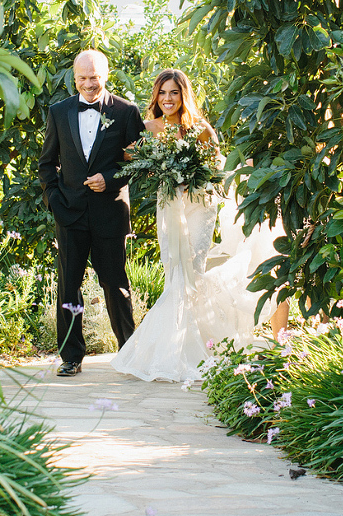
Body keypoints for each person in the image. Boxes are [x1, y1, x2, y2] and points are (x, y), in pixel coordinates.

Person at [110, 68, 287, 383]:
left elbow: (217, 166)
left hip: (200, 206)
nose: (168, 99)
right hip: (169, 207)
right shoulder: (148, 129)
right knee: (174, 274)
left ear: (183, 95)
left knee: (191, 271)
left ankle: (191, 350)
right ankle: (182, 350)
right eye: (163, 93)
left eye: (174, 93)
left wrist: (216, 172)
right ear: (156, 96)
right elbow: (127, 158)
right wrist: (157, 172)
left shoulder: (201, 129)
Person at [38, 49, 145, 377]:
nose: (88, 83)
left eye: (94, 77)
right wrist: (55, 203)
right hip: (69, 214)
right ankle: (71, 356)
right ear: (74, 77)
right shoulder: (59, 112)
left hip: (110, 212)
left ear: (106, 75)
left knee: (115, 284)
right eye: (82, 78)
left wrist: (110, 179)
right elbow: (47, 164)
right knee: (69, 285)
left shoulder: (127, 112)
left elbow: (141, 161)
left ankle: (129, 353)